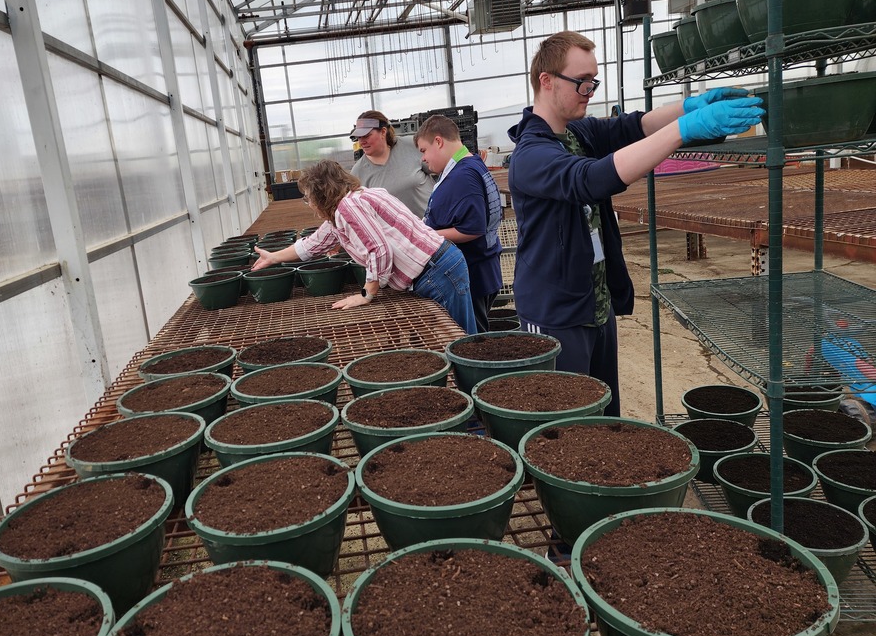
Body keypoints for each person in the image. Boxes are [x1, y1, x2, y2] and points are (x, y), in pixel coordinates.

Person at [508, 30, 763, 416]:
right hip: (555, 314)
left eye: (594, 80)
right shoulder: (531, 155)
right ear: (546, 81)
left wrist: (689, 106)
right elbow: (590, 179)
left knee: (605, 417)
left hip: (594, 303)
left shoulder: (576, 133)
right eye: (582, 82)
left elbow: (632, 126)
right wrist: (684, 130)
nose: (590, 89)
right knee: (567, 427)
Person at [251, 159, 478, 334]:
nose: (309, 204)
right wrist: (273, 257)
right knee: (457, 335)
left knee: (459, 338)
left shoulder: (348, 208)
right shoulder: (351, 203)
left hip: (437, 271)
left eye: (308, 197)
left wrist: (366, 293)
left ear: (322, 194)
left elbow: (378, 249)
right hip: (439, 266)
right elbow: (313, 244)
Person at [414, 115, 504, 332]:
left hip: (472, 275)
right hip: (480, 271)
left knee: (472, 343)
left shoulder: (463, 176)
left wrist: (424, 234)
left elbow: (472, 229)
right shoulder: (469, 165)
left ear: (438, 141)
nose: (423, 159)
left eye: (424, 150)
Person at [349, 109, 435, 218]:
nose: (361, 142)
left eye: (366, 136)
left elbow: (444, 167)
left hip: (436, 224)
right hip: (399, 234)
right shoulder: (358, 173)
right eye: (359, 137)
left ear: (383, 132)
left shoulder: (411, 145)